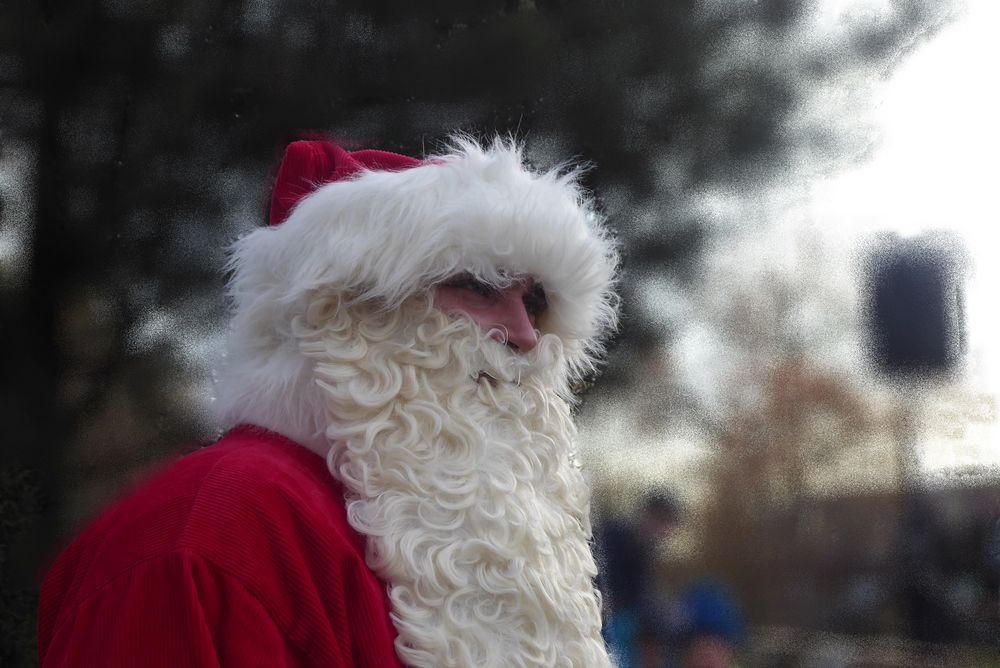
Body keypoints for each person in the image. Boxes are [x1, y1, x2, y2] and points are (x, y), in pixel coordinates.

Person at [38, 136, 619, 667]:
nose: (525, 335)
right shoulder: (209, 533)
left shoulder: (449, 529)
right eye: (481, 286)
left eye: (537, 301)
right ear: (351, 306)